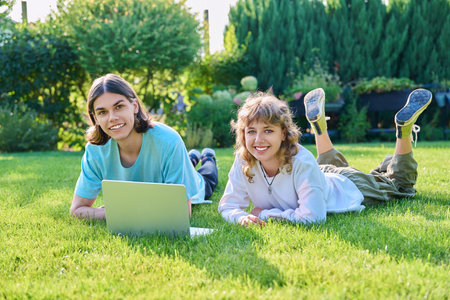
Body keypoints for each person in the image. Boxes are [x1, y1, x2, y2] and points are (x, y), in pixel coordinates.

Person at [218, 88, 432, 226]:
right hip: (320, 175)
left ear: (283, 133)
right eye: (251, 131)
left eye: (267, 130)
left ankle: (403, 129)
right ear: (242, 133)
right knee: (325, 166)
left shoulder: (301, 161)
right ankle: (319, 128)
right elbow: (227, 206)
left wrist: (264, 214)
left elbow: (313, 218)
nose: (258, 140)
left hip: (352, 187)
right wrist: (242, 217)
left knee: (400, 185)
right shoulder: (243, 159)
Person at [70, 74, 218, 219]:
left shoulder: (169, 141)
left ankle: (208, 157)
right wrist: (112, 213)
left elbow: (181, 213)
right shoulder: (95, 150)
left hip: (198, 184)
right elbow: (77, 209)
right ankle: (191, 157)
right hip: (170, 170)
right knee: (184, 163)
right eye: (102, 112)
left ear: (134, 106)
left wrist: (124, 211)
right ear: (96, 118)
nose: (112, 118)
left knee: (206, 179)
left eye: (119, 107)